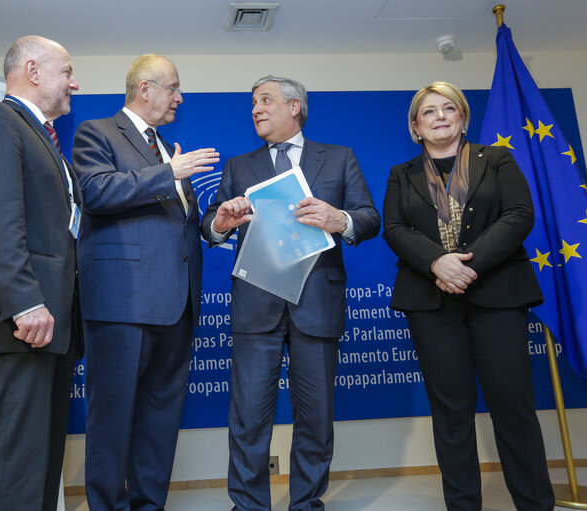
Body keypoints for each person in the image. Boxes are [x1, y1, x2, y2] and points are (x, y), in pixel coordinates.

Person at [201, 75, 380, 511]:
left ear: (295, 106)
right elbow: (211, 223)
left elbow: (369, 218)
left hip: (316, 304)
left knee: (315, 419)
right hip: (255, 307)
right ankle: (247, 505)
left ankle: (306, 504)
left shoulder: (338, 159)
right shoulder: (239, 166)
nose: (255, 109)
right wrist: (220, 225)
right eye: (252, 104)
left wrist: (340, 219)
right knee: (247, 419)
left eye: (265, 100)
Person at [382, 81, 554, 511]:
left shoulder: (496, 159)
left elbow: (519, 215)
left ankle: (535, 504)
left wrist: (467, 267)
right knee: (451, 412)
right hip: (431, 302)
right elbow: (395, 229)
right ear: (415, 127)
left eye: (448, 109)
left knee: (513, 407)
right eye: (428, 112)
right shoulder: (401, 174)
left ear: (462, 117)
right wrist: (438, 263)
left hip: (497, 296)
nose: (439, 116)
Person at [72, 54, 219, 511]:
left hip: (176, 306)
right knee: (112, 419)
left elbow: (180, 226)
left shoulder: (167, 149)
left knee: (160, 420)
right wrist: (168, 174)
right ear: (145, 90)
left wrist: (218, 225)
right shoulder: (96, 132)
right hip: (122, 305)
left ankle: (148, 506)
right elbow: (95, 192)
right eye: (173, 87)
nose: (180, 97)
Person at [0, 35, 82, 511]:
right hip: (23, 324)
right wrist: (25, 302)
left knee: (42, 465)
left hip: (52, 326)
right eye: (66, 71)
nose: (74, 82)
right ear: (32, 71)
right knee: (20, 466)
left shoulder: (43, 138)